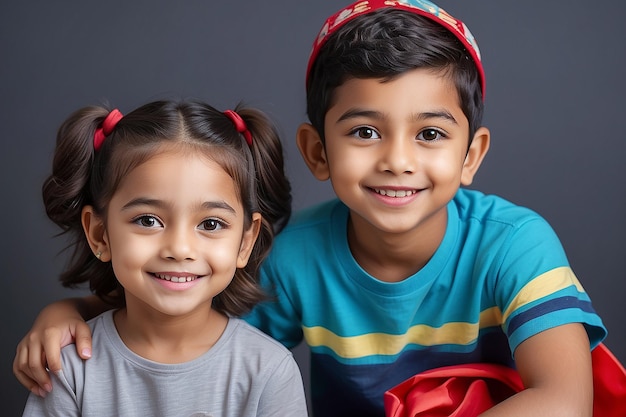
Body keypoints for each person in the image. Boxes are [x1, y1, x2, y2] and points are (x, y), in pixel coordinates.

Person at [14, 1, 609, 416]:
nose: (397, 161)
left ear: (470, 155)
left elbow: (563, 401)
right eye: (365, 133)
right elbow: (184, 309)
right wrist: (72, 309)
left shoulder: (514, 243)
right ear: (317, 152)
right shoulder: (295, 255)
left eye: (429, 134)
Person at [20, 99, 308, 416]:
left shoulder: (268, 371)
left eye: (210, 224)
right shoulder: (68, 368)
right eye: (147, 220)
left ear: (244, 242)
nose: (179, 249)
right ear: (100, 234)